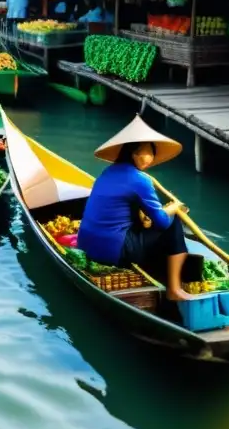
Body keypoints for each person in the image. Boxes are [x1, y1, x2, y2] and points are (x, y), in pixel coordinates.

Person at [76, 116, 192, 301]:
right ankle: (174, 289)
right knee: (174, 223)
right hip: (114, 251)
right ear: (133, 153)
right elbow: (162, 222)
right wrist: (174, 207)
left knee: (155, 224)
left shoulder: (108, 172)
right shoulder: (141, 180)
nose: (151, 157)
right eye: (148, 152)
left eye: (152, 153)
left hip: (86, 244)